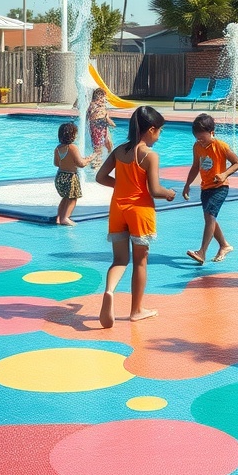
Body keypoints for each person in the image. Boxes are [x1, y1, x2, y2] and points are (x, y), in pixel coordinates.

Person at [96, 106, 176, 327]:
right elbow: (154, 190)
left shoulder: (119, 151)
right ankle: (137, 310)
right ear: (150, 129)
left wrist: (121, 186)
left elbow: (100, 177)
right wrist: (169, 193)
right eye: (159, 132)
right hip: (140, 212)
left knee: (119, 260)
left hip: (118, 209)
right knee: (140, 262)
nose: (158, 137)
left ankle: (110, 291)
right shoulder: (150, 156)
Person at [182, 113, 238, 264]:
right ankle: (224, 245)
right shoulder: (197, 147)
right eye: (198, 139)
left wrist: (225, 174)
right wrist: (187, 184)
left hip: (220, 187)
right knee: (210, 218)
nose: (200, 142)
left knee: (210, 217)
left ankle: (202, 252)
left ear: (212, 133)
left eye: (203, 138)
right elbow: (195, 166)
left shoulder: (220, 146)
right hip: (206, 187)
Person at [53, 122, 95, 226]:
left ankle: (59, 217)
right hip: (70, 177)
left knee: (65, 197)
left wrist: (67, 162)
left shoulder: (58, 148)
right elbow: (81, 164)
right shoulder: (72, 147)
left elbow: (56, 163)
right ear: (72, 135)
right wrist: (89, 159)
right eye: (76, 133)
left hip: (60, 176)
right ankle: (65, 218)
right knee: (73, 198)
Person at [87, 88, 116, 168]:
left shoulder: (103, 107)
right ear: (99, 97)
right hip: (96, 126)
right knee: (98, 149)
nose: (105, 99)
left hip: (103, 125)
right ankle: (94, 164)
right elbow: (89, 115)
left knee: (109, 144)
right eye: (104, 97)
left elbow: (106, 117)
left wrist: (111, 123)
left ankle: (110, 161)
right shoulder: (93, 105)